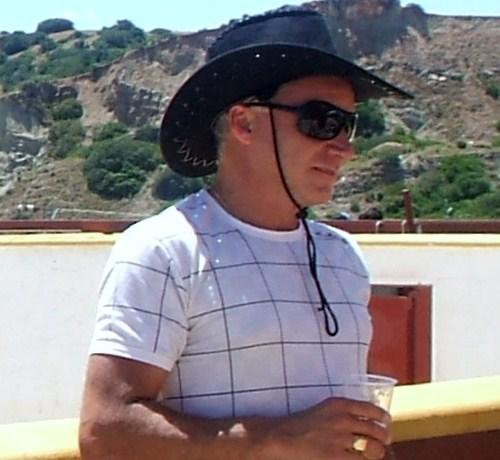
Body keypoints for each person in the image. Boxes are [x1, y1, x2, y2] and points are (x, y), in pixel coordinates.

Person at [79, 8, 412, 460]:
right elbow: (104, 431)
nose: (345, 148)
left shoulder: (343, 257)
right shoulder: (164, 251)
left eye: (349, 126)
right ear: (244, 123)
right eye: (322, 121)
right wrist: (273, 440)